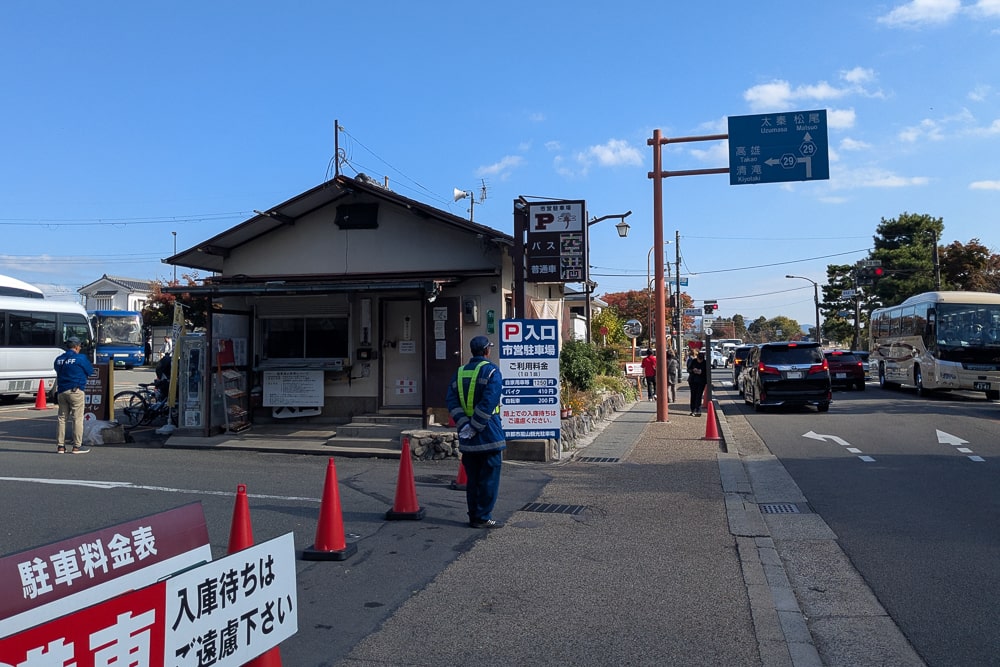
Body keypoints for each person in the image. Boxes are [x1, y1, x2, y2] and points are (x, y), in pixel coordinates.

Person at [446, 335, 506, 529]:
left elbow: (451, 401)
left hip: (467, 437)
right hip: (489, 433)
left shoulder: (459, 372)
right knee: (489, 478)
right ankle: (483, 517)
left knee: (473, 479)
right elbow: (490, 400)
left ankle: (474, 515)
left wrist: (465, 424)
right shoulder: (492, 371)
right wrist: (476, 425)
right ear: (487, 351)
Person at [54, 336, 94, 454]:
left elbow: (57, 370)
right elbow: (90, 371)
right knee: (77, 418)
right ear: (76, 347)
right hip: (76, 391)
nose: (80, 348)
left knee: (62, 418)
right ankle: (77, 446)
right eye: (80, 346)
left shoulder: (59, 359)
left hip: (62, 391)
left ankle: (60, 446)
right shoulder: (80, 358)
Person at [686, 349, 708, 417]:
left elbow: (707, 372)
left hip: (701, 381)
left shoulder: (705, 363)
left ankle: (698, 410)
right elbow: (688, 369)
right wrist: (693, 370)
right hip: (693, 380)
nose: (699, 361)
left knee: (699, 395)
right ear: (697, 357)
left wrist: (701, 372)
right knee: (693, 395)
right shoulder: (693, 361)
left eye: (701, 360)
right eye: (699, 359)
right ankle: (693, 410)